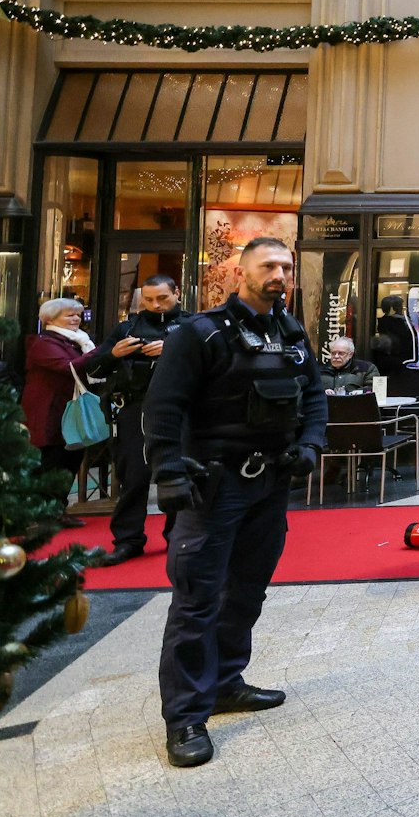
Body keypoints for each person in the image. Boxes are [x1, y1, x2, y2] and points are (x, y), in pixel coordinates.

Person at [145, 237, 327, 769]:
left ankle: (225, 683)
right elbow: (164, 408)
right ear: (240, 272)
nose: (279, 274)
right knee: (197, 601)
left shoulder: (290, 333)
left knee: (247, 592)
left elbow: (314, 396)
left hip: (270, 485)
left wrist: (310, 445)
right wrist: (169, 472)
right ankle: (185, 717)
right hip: (213, 487)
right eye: (268, 265)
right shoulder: (200, 333)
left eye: (286, 267)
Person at [102, 276, 185, 564]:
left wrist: (172, 348)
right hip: (134, 407)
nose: (155, 305)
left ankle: (178, 535)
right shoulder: (127, 328)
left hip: (179, 408)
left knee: (179, 473)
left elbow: (213, 365)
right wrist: (114, 354)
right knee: (133, 477)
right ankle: (128, 539)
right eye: (148, 299)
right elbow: (94, 367)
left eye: (162, 298)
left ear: (177, 293)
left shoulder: (192, 326)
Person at [23, 297, 105, 527]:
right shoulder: (43, 343)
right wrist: (102, 351)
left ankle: (57, 510)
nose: (76, 318)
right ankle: (41, 513)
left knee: (70, 459)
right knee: (52, 461)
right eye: (69, 315)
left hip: (70, 410)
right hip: (48, 412)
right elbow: (67, 367)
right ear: (50, 319)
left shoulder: (78, 342)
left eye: (78, 314)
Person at [370, 294, 416, 373]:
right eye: (399, 306)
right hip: (401, 357)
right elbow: (410, 337)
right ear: (393, 308)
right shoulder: (400, 321)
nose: (402, 308)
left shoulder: (381, 321)